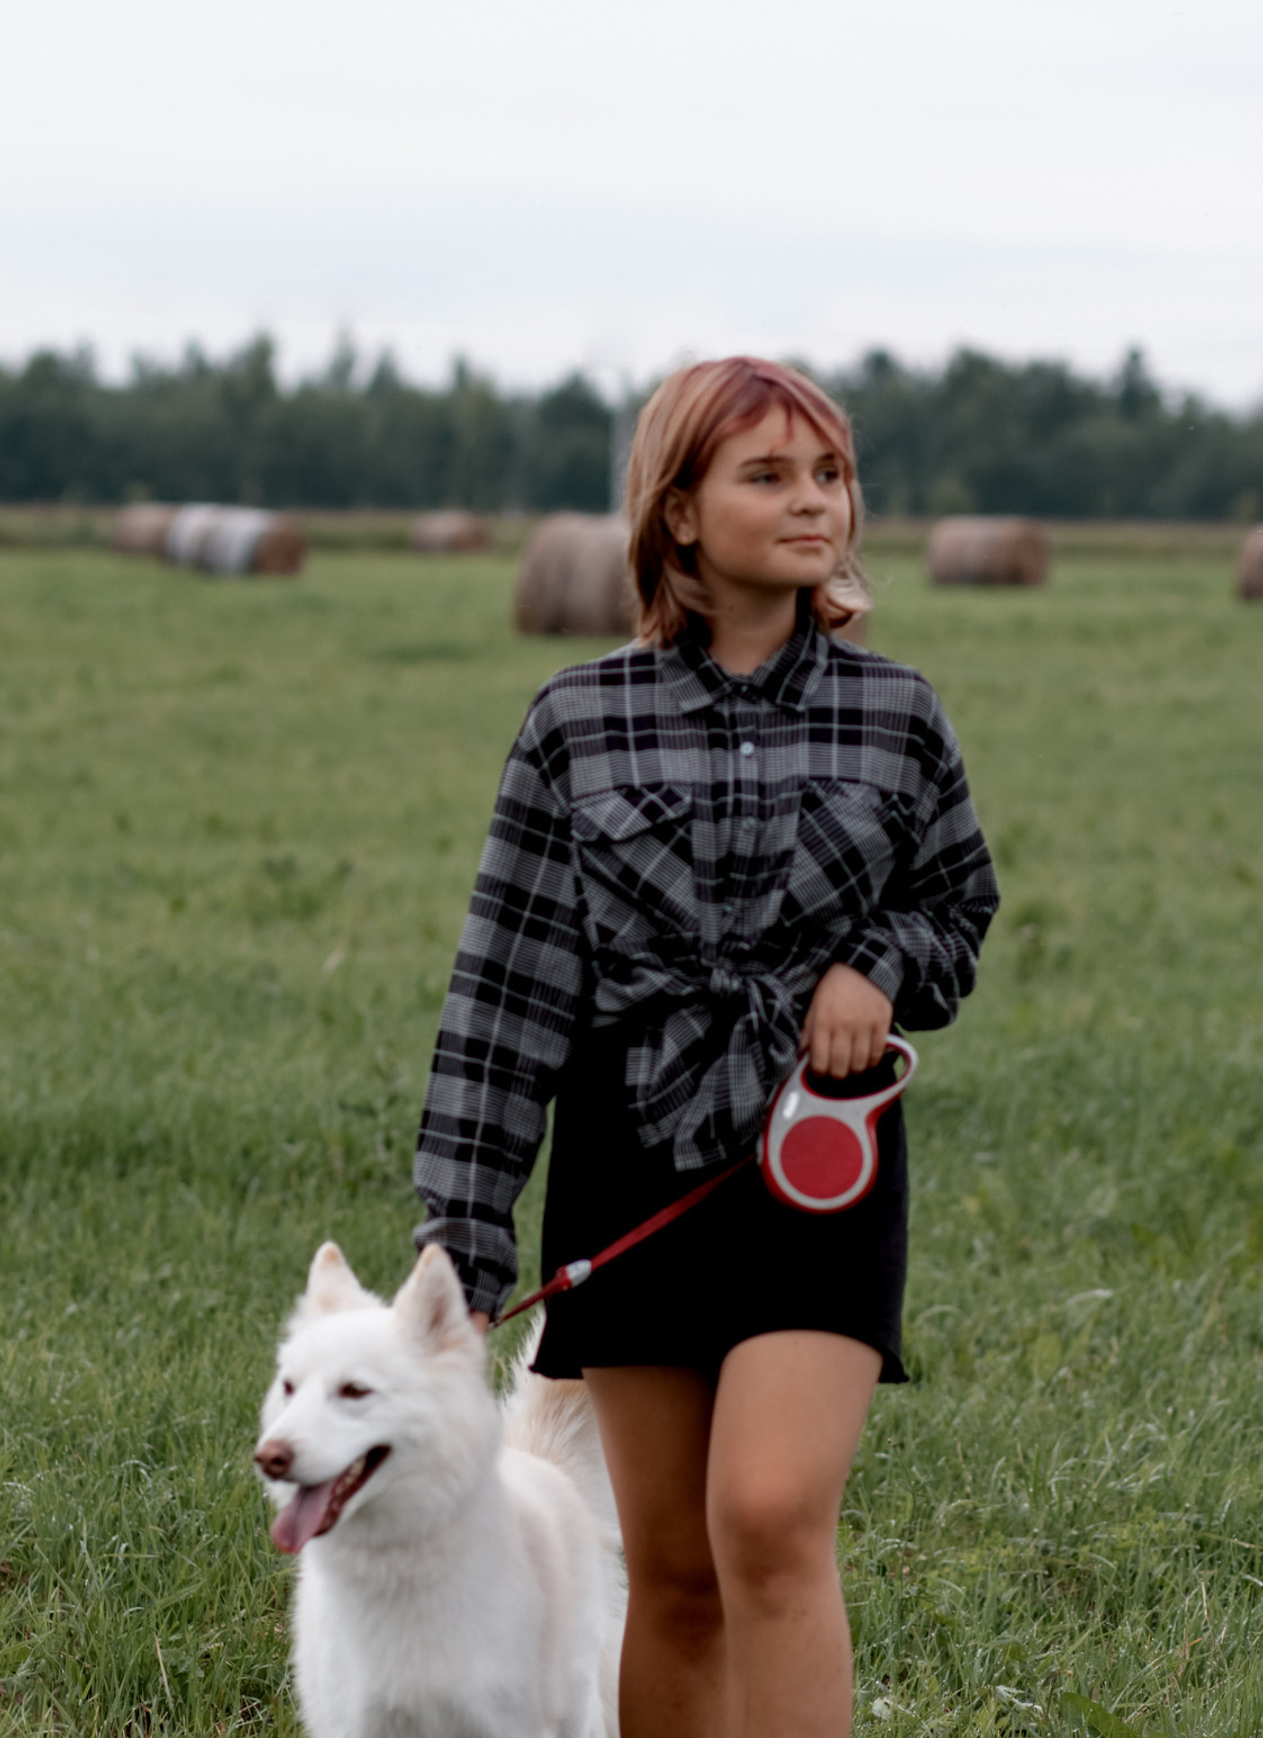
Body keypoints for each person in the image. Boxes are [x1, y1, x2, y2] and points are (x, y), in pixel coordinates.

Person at [413, 356, 1000, 1738]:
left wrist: (881, 966)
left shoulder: (899, 714)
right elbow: (508, 993)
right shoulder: (575, 721)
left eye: (830, 474)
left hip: (818, 1160)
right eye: (769, 475)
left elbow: (958, 905)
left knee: (771, 1517)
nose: (816, 504)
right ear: (678, 512)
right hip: (636, 1170)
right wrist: (463, 1234)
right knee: (674, 1574)